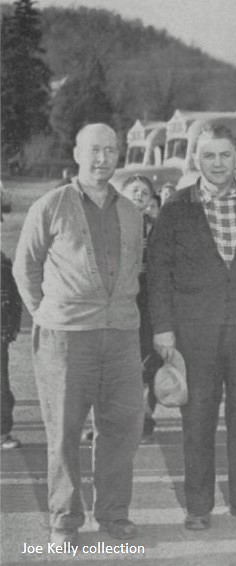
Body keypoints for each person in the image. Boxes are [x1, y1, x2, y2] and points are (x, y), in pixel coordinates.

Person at [13, 123, 145, 545]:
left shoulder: (131, 211)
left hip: (121, 336)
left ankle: (113, 515)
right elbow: (25, 268)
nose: (103, 158)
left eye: (111, 150)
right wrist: (47, 313)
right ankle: (64, 521)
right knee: (65, 430)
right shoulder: (50, 206)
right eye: (95, 150)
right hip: (66, 338)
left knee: (121, 428)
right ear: (76, 154)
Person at [147, 124, 236, 531]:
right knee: (197, 418)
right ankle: (198, 506)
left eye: (224, 155)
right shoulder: (176, 208)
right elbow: (159, 273)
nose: (216, 163)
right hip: (193, 333)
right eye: (208, 156)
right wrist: (163, 328)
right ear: (195, 160)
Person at [119, 175, 159, 440]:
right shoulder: (110, 224)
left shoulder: (158, 227)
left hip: (148, 297)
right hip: (118, 297)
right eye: (134, 190)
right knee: (115, 362)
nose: (139, 195)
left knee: (148, 359)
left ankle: (144, 416)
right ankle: (108, 422)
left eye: (145, 192)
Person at [1, 250, 22, 450]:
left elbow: (15, 302)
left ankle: (2, 432)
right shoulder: (5, 268)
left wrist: (12, 327)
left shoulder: (5, 268)